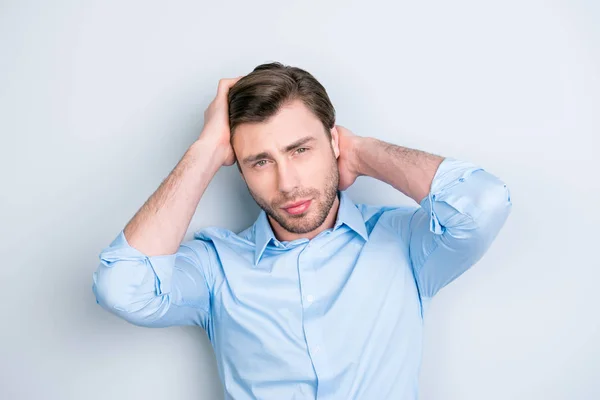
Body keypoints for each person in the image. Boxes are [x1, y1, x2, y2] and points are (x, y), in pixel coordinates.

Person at [92, 62, 512, 399]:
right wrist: (205, 151)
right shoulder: (214, 267)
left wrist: (361, 152)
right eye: (260, 161)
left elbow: (484, 202)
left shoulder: (405, 243)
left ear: (332, 142)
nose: (287, 183)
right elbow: (122, 287)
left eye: (301, 150)